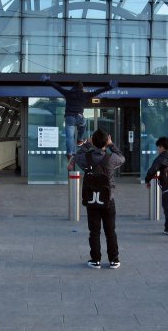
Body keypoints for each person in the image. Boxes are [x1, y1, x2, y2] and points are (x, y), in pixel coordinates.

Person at [74, 128, 125, 269]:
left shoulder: (87, 158)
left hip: (92, 200)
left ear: (92, 141)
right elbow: (121, 157)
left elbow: (78, 155)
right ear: (106, 141)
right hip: (108, 199)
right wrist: (111, 144)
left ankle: (95, 259)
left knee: (94, 231)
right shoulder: (111, 159)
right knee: (110, 231)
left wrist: (87, 144)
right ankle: (114, 259)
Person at [42, 76, 117, 169]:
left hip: (69, 118)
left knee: (69, 137)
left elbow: (57, 87)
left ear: (73, 87)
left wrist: (47, 80)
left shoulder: (68, 93)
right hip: (79, 117)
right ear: (82, 88)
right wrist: (110, 87)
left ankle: (70, 154)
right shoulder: (84, 95)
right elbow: (98, 91)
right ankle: (80, 139)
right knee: (83, 124)